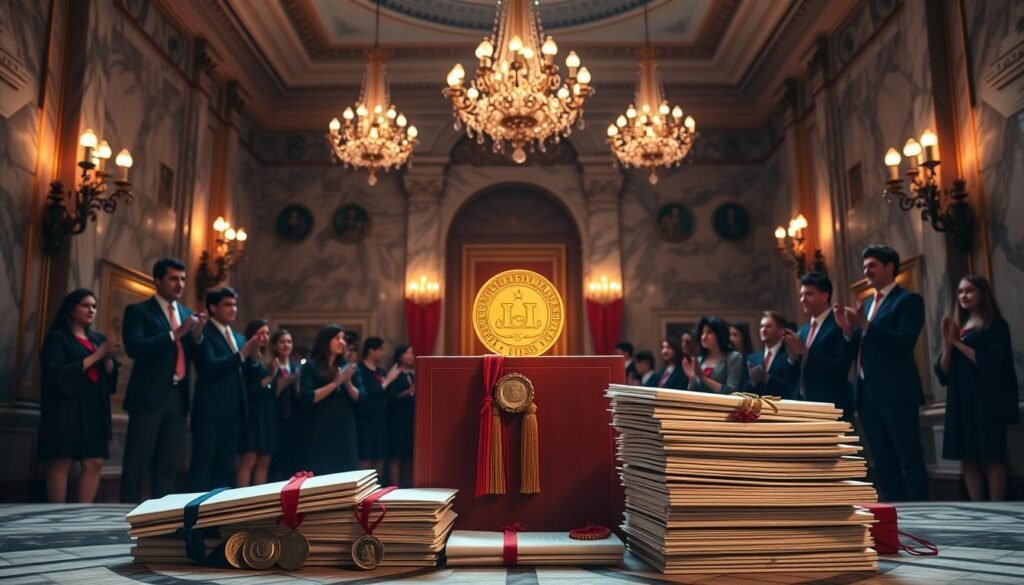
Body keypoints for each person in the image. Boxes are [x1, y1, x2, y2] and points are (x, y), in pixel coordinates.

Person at [836, 245, 927, 501]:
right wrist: (847, 330)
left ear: (890, 267)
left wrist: (864, 325)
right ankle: (894, 513)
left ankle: (920, 514)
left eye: (872, 265)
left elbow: (903, 342)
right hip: (867, 395)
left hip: (897, 392)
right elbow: (860, 346)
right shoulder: (866, 304)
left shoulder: (908, 300)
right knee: (883, 461)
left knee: (908, 457)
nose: (867, 270)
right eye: (865, 266)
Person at [121, 258, 206, 503]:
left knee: (168, 463)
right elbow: (135, 348)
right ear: (157, 281)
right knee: (137, 460)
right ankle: (124, 513)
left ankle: (163, 518)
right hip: (148, 396)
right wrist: (176, 334)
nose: (179, 284)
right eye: (173, 278)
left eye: (182, 278)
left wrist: (197, 335)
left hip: (178, 397)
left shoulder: (187, 313)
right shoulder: (138, 312)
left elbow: (194, 354)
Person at [936, 275, 1019, 501]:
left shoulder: (996, 325)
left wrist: (957, 344)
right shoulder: (958, 327)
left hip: (987, 400)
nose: (963, 296)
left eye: (969, 291)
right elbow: (942, 372)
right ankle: (977, 506)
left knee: (992, 455)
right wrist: (948, 344)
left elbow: (994, 364)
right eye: (960, 292)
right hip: (961, 399)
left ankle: (997, 507)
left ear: (982, 294)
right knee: (968, 457)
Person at [38, 289, 120, 503]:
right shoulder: (58, 338)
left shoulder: (97, 339)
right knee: (62, 461)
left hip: (93, 408)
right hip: (67, 408)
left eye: (94, 306)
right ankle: (56, 513)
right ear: (71, 309)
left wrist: (109, 358)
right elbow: (57, 374)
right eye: (86, 305)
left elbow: (109, 377)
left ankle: (83, 513)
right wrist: (99, 354)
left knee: (95, 462)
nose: (91, 310)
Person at [190, 287, 263, 491]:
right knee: (203, 466)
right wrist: (241, 354)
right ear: (213, 307)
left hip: (234, 412)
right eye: (228, 305)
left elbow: (248, 373)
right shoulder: (204, 332)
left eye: (235, 304)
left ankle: (219, 515)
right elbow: (208, 367)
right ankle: (195, 516)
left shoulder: (239, 338)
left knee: (225, 467)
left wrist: (254, 357)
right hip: (210, 411)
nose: (233, 309)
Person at [782, 272, 854, 419]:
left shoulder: (839, 324)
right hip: (804, 405)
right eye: (801, 295)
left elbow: (841, 367)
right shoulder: (803, 329)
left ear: (825, 296)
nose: (802, 300)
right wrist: (792, 357)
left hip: (831, 405)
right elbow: (797, 372)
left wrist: (806, 352)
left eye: (809, 294)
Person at [297, 325, 362, 474]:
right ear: (326, 341)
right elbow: (308, 397)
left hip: (345, 423)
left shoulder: (347, 366)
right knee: (322, 467)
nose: (342, 342)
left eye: (343, 339)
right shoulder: (311, 366)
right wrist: (335, 383)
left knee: (346, 468)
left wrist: (347, 382)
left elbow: (360, 398)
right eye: (337, 338)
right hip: (321, 424)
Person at [237, 320, 280, 487]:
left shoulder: (269, 357)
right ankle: (240, 501)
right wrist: (268, 379)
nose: (264, 337)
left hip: (267, 412)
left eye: (267, 333)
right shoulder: (247, 356)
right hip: (251, 413)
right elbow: (247, 389)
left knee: (265, 458)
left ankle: (257, 503)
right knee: (249, 457)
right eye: (260, 333)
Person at [357, 337, 394, 479]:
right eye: (380, 350)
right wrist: (388, 381)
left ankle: (377, 491)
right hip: (366, 420)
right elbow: (367, 394)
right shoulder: (360, 369)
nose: (383, 353)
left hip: (381, 420)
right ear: (371, 350)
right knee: (366, 457)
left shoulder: (380, 371)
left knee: (380, 457)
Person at [268, 329, 301, 480]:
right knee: (273, 462)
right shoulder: (269, 365)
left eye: (289, 342)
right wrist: (283, 384)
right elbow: (268, 396)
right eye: (282, 342)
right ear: (274, 346)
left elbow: (300, 396)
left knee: (292, 460)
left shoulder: (296, 367)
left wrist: (295, 384)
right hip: (274, 417)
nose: (286, 345)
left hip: (293, 419)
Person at [745, 311, 800, 399]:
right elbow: (742, 390)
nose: (763, 330)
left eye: (768, 326)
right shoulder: (752, 358)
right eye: (761, 326)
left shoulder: (790, 356)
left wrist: (767, 378)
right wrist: (753, 382)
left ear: (781, 330)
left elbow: (791, 385)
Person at [683, 316, 744, 394]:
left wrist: (703, 378)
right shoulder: (699, 359)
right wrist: (691, 379)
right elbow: (692, 393)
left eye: (709, 332)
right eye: (702, 333)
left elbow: (731, 391)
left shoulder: (733, 357)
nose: (704, 337)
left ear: (720, 334)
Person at [387, 343, 416, 488]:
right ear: (400, 356)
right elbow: (391, 398)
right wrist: (409, 391)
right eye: (408, 353)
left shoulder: (414, 373)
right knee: (397, 454)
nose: (411, 356)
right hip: (397, 418)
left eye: (412, 353)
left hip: (412, 418)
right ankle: (394, 486)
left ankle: (408, 485)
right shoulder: (395, 374)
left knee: (409, 455)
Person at [729, 322, 754, 389]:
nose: (731, 339)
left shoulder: (751, 360)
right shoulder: (726, 360)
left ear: (743, 337)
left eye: (735, 335)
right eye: (729, 335)